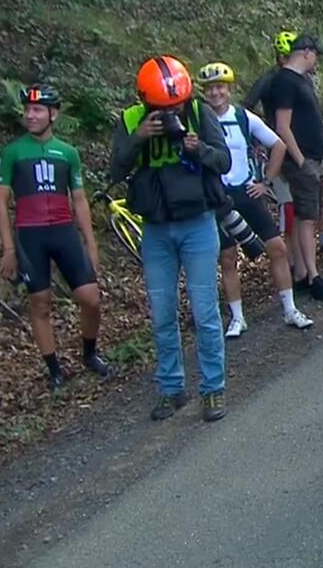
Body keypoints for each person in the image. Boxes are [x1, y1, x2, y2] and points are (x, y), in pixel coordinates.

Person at [111, 56, 232, 422]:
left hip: (197, 222)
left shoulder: (198, 112)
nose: (172, 113)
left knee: (205, 310)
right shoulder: (132, 119)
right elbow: (116, 169)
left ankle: (213, 389)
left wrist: (200, 150)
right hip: (156, 228)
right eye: (164, 108)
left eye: (176, 105)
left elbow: (224, 161)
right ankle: (171, 388)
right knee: (163, 313)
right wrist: (138, 139)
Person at [0, 85, 112, 390]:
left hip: (63, 230)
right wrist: (8, 248)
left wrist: (91, 242)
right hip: (30, 234)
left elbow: (79, 199)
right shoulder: (12, 152)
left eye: (37, 110)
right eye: (27, 110)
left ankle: (89, 353)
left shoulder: (68, 153)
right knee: (40, 303)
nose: (30, 115)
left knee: (91, 298)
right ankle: (54, 368)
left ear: (53, 114)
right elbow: (1, 202)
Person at [199, 62, 315, 334]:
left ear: (228, 89)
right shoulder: (199, 120)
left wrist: (265, 182)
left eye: (220, 87)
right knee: (228, 258)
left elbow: (278, 144)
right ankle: (237, 317)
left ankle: (290, 308)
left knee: (277, 248)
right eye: (210, 89)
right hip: (218, 197)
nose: (215, 93)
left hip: (245, 191)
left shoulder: (242, 117)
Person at [269, 34, 323, 303]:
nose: (316, 60)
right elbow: (283, 126)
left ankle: (304, 272)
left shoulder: (301, 80)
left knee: (307, 215)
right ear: (306, 53)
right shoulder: (285, 81)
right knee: (307, 217)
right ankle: (312, 276)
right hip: (301, 160)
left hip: (312, 156)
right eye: (315, 55)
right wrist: (300, 161)